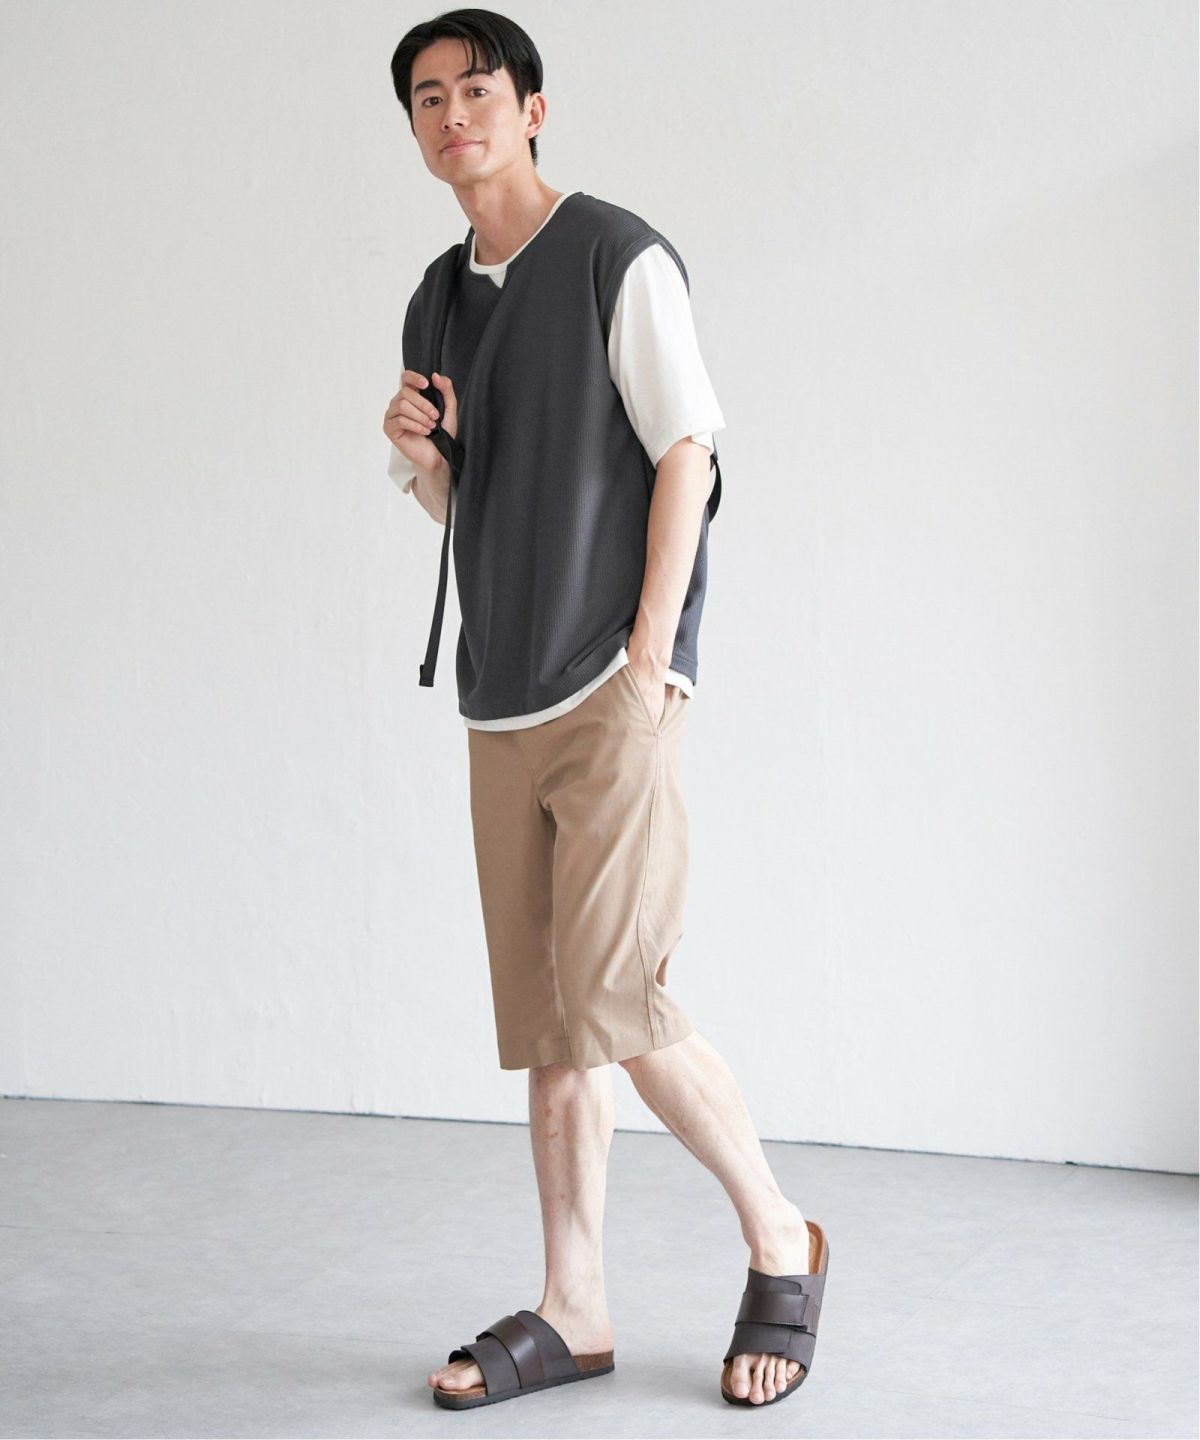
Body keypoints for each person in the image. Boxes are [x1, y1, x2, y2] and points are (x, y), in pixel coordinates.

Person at [382, 9, 829, 1412]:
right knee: (549, 1023)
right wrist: (421, 458)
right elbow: (471, 507)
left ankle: (781, 1236)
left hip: (607, 684)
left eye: (477, 89)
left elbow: (688, 447)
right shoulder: (438, 299)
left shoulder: (615, 255)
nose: (454, 114)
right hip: (499, 695)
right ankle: (575, 1306)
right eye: (427, 99)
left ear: (533, 109)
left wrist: (650, 653)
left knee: (622, 1003)